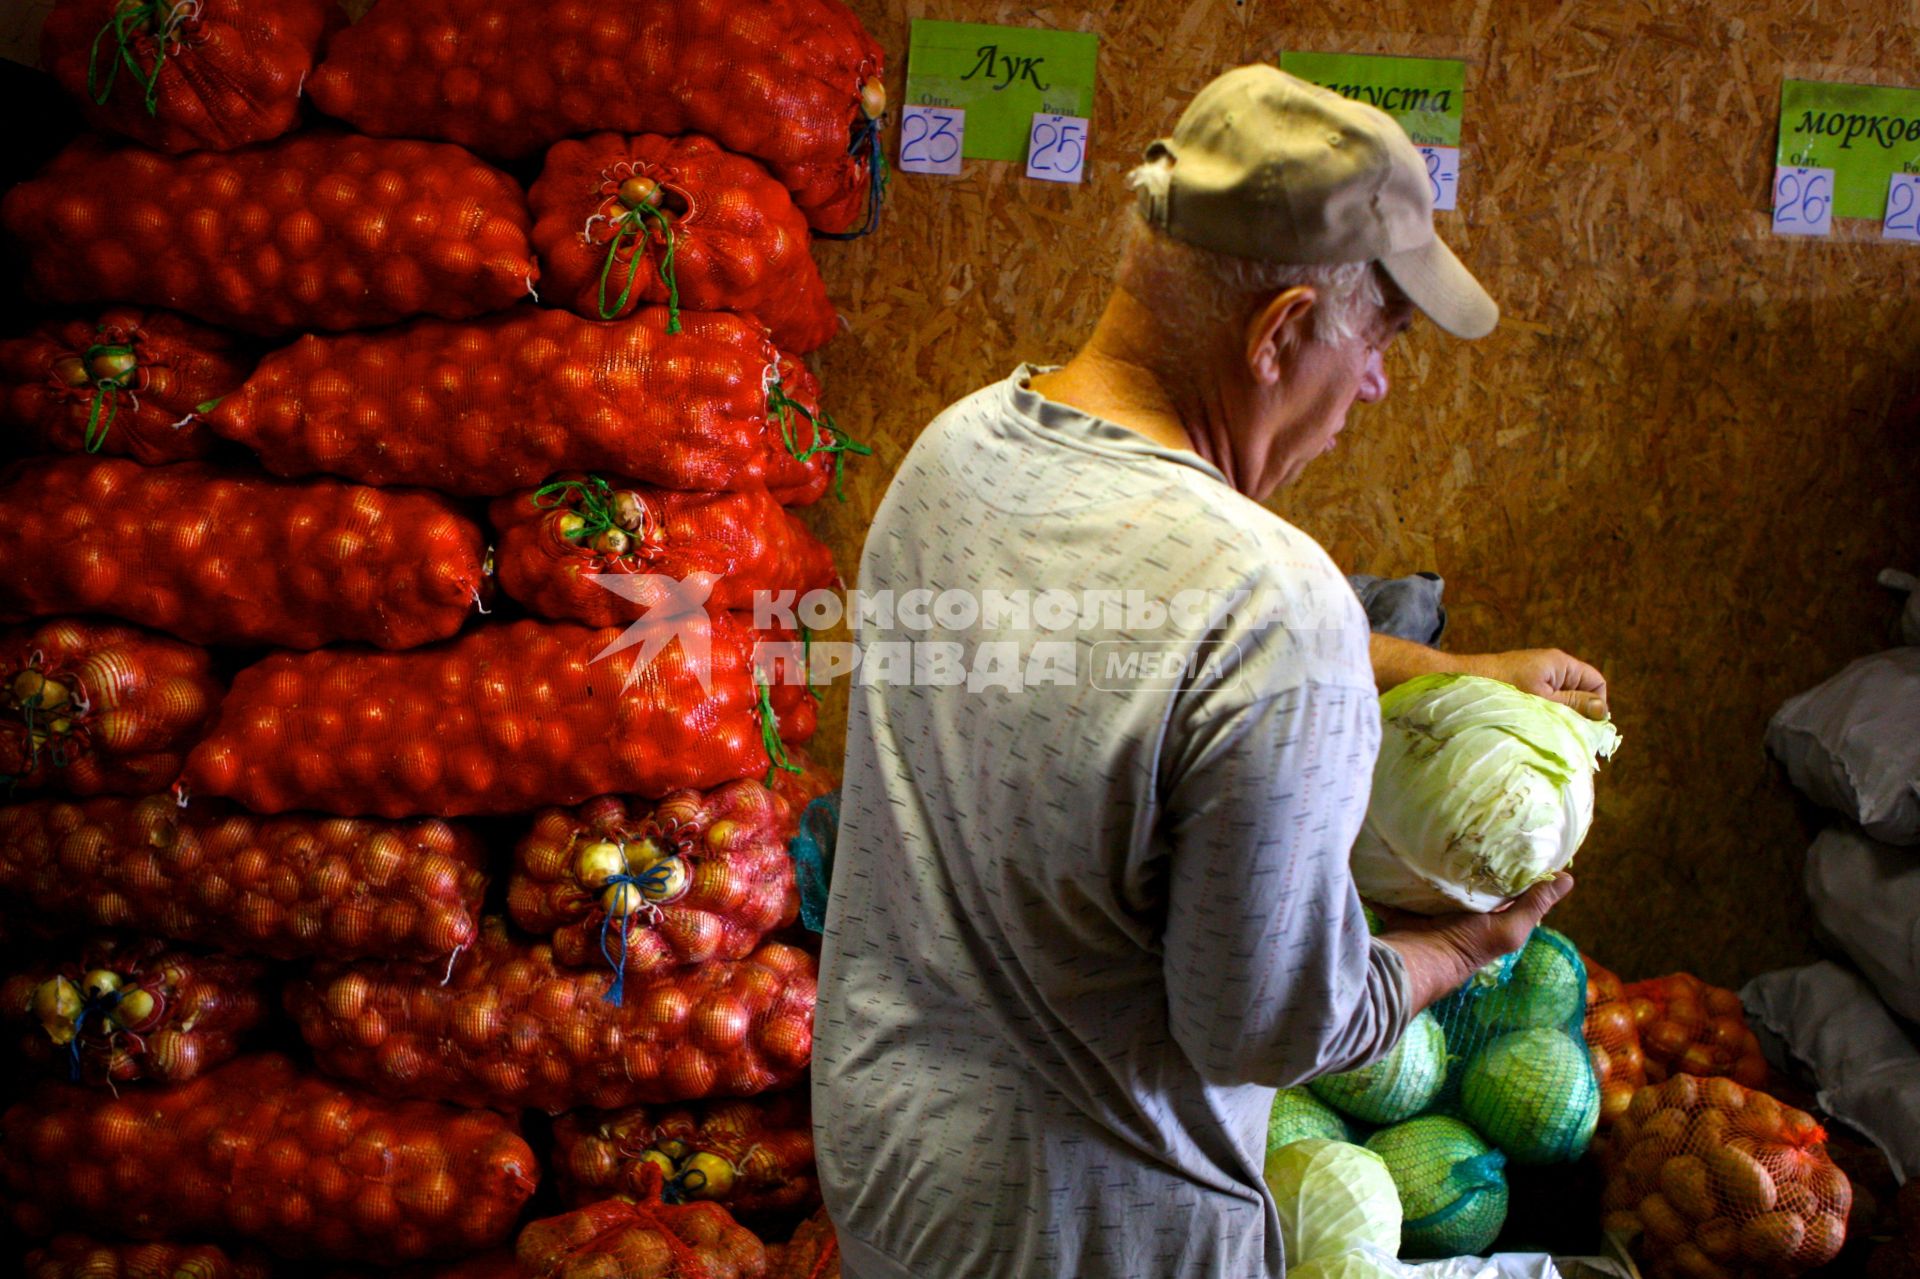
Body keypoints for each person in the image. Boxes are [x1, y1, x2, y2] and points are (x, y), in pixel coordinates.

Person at [812, 66, 1609, 1279]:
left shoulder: (956, 448)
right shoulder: (1267, 600)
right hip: (1096, 1232)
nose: (1384, 382)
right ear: (1281, 331)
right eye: (1383, 333)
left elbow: (1124, 638)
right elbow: (1271, 1025)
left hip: (892, 1172)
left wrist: (1448, 666)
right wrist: (1468, 944)